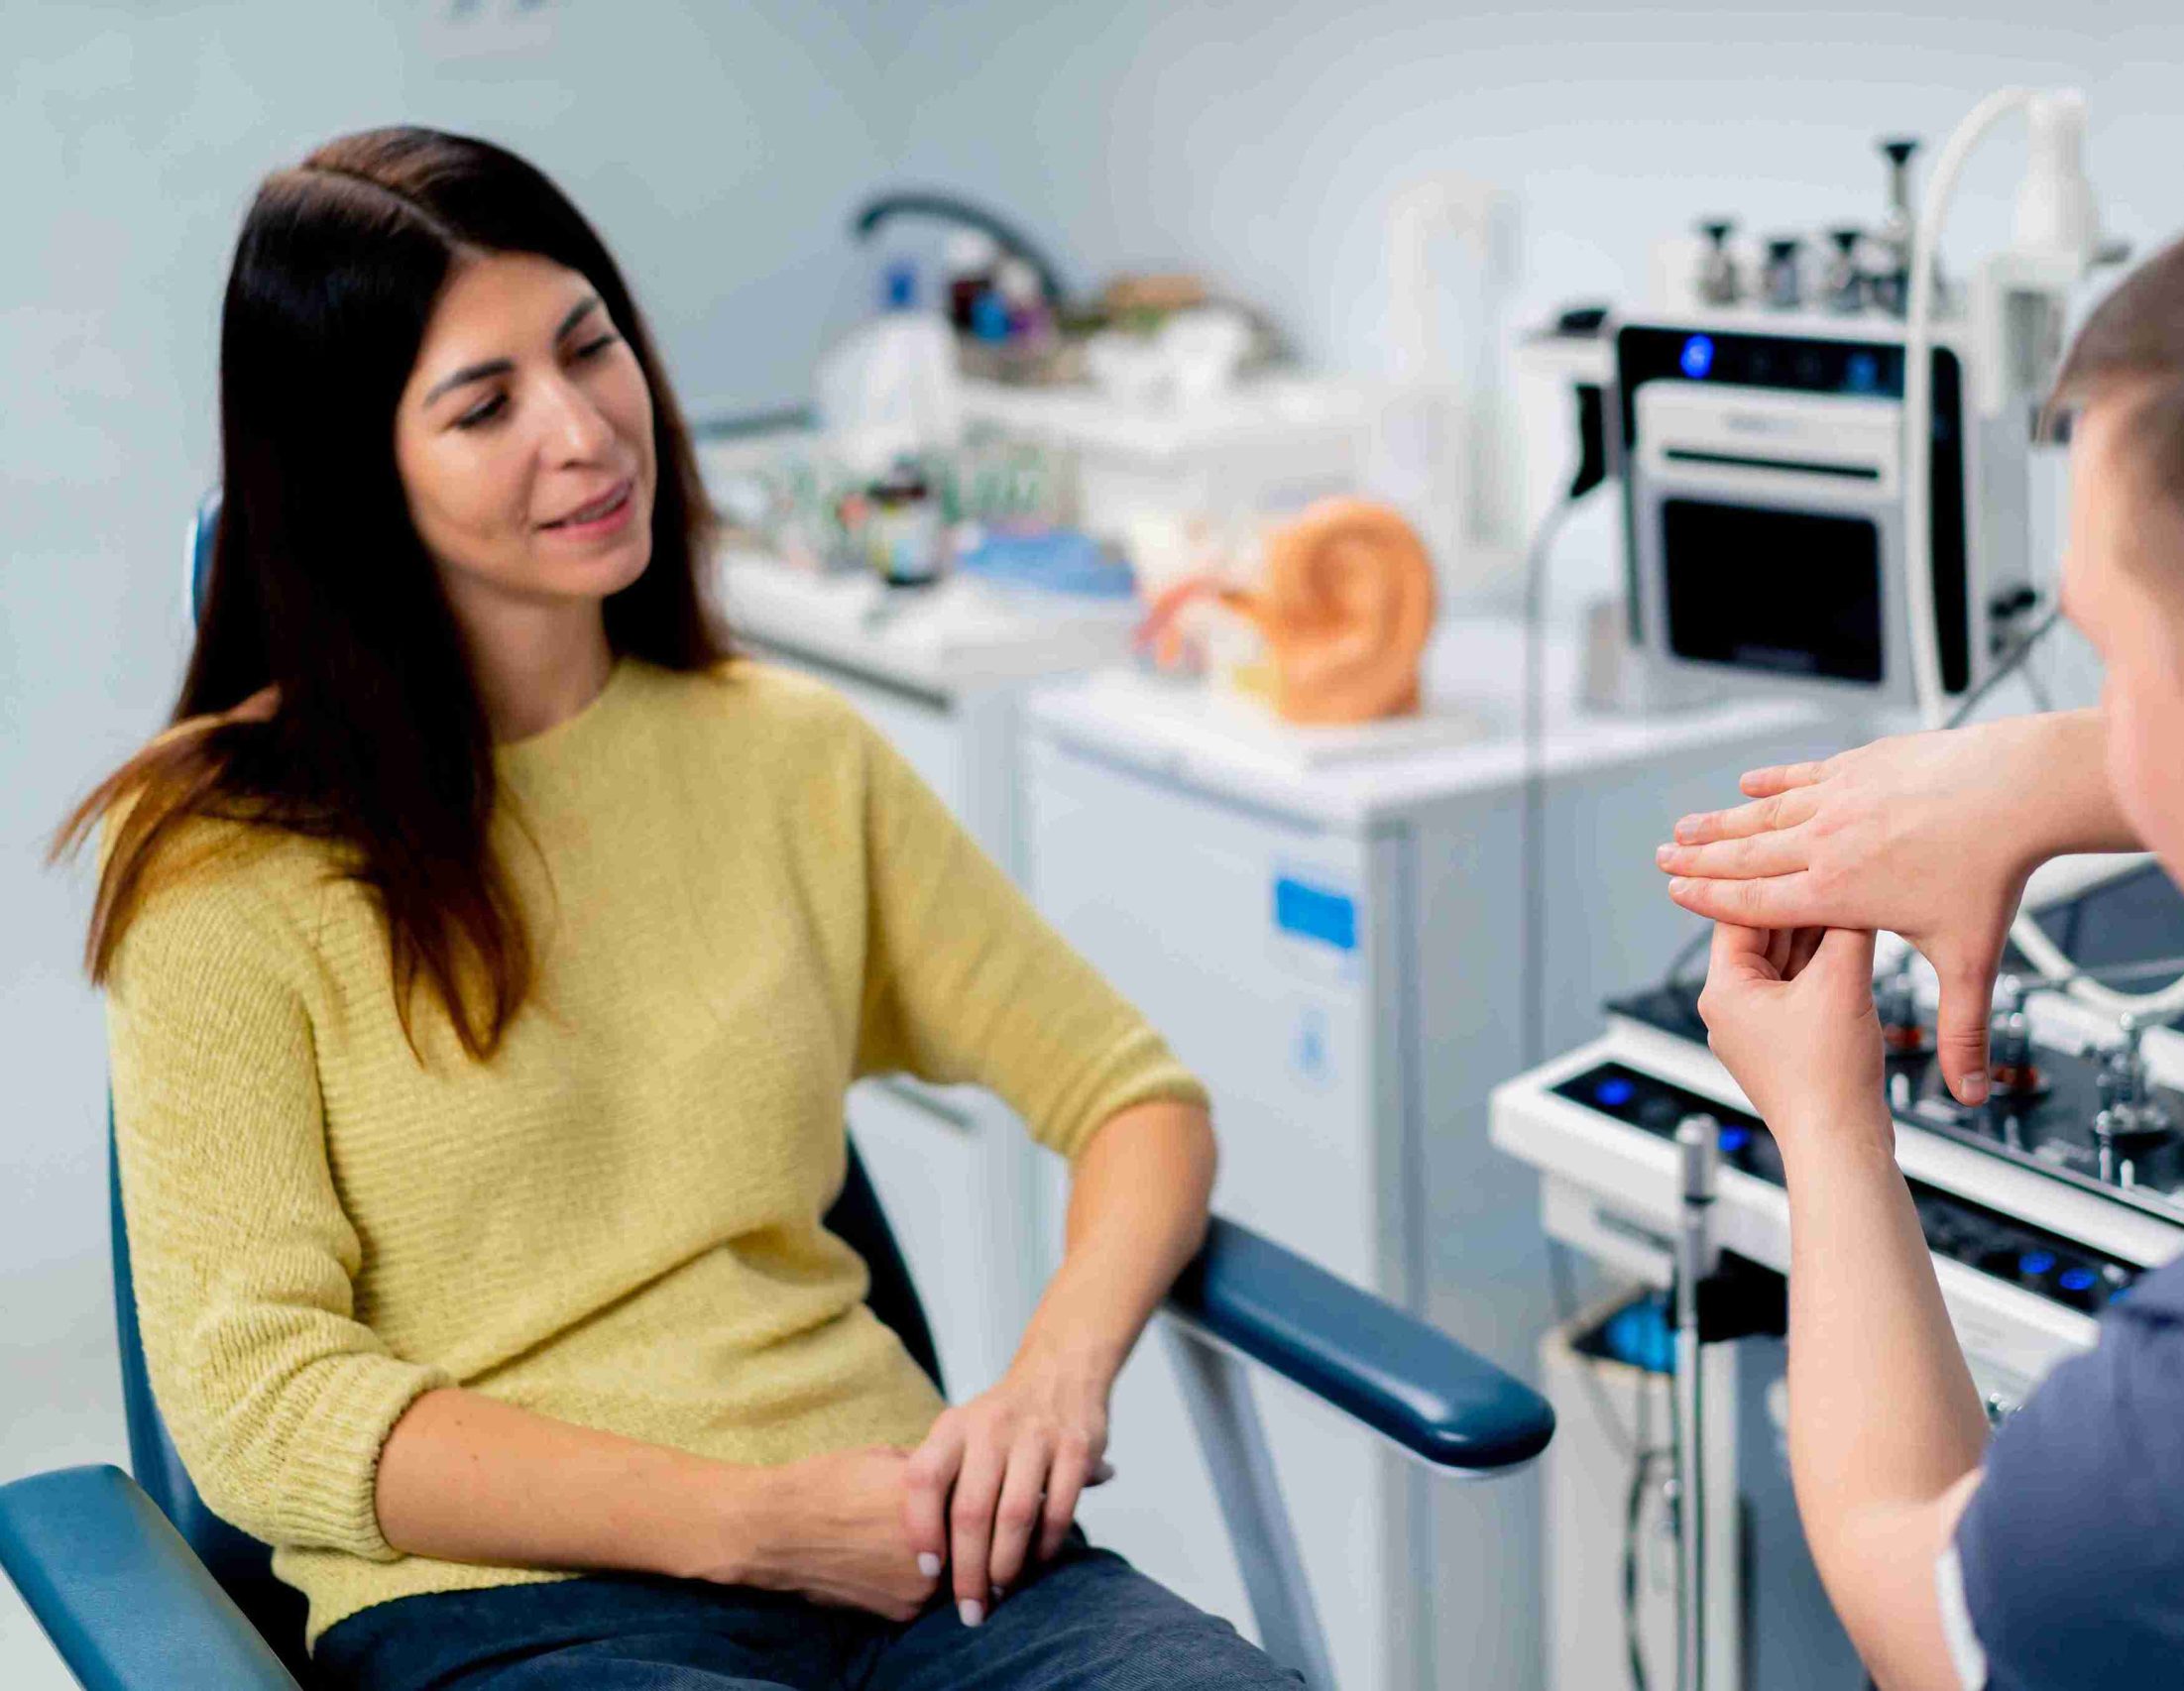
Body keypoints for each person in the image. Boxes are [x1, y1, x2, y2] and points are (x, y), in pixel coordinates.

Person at [54, 127, 1294, 1691]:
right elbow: (259, 1403)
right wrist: (759, 1525)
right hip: (517, 1609)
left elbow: (1134, 1098)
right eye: (484, 405)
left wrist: (1051, 1382)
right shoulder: (223, 860)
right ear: (354, 473)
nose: (585, 432)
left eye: (590, 347)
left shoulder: (789, 754)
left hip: (920, 1557)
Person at [1650, 166, 2184, 1690]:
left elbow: (1905, 1579)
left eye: (2111, 661)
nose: (2095, 718)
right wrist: (2038, 773)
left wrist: (1827, 1123)